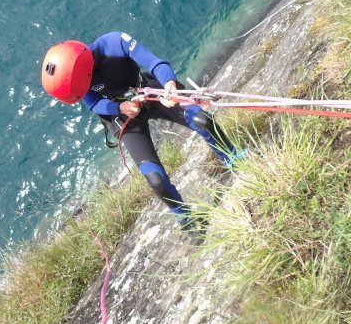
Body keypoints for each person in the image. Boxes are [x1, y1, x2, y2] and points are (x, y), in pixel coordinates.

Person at [41, 31, 243, 233]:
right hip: (124, 115)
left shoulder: (115, 42)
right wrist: (118, 108)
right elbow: (94, 104)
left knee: (202, 120)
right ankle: (184, 216)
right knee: (155, 179)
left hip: (148, 90)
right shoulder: (77, 77)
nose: (83, 88)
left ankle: (232, 159)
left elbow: (156, 64)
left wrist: (169, 85)